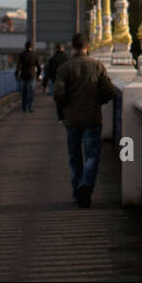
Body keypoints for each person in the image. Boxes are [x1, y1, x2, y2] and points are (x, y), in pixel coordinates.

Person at [53, 32, 117, 208]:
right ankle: (86, 185)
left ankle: (77, 193)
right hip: (92, 117)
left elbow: (58, 94)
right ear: (87, 47)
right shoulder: (97, 66)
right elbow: (110, 91)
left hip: (72, 119)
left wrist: (66, 106)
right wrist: (98, 101)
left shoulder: (65, 68)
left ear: (72, 47)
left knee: (74, 157)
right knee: (92, 156)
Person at [15, 41, 41, 113]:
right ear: (31, 47)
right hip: (32, 75)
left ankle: (24, 107)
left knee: (24, 92)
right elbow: (38, 67)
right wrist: (38, 75)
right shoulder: (34, 55)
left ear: (25, 47)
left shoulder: (22, 55)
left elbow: (19, 66)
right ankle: (30, 107)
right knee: (31, 92)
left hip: (24, 76)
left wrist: (16, 74)